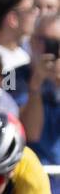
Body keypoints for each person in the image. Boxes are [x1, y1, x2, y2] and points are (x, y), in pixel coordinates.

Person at [22, 14, 60, 163]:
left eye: (56, 43)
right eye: (42, 40)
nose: (47, 48)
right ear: (31, 41)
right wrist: (36, 82)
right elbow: (31, 133)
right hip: (28, 172)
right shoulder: (10, 75)